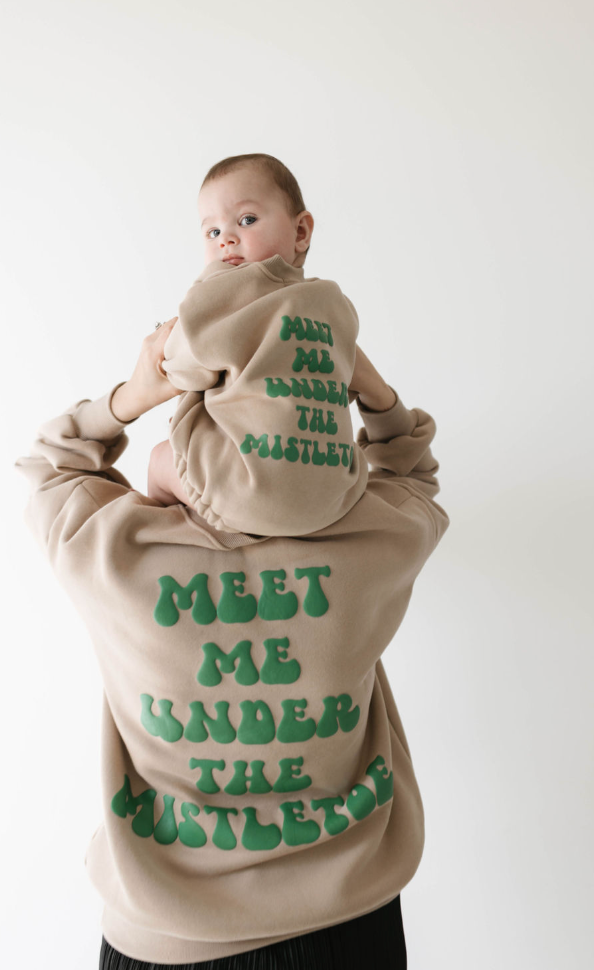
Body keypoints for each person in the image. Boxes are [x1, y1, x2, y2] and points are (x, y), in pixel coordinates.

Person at [14, 284, 449, 967]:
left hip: (163, 934)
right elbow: (413, 471)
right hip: (348, 922)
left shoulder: (115, 549)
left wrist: (133, 394)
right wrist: (370, 386)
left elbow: (50, 463)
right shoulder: (375, 540)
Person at [148, 154, 368, 537]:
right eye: (211, 232)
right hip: (334, 500)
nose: (226, 240)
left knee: (158, 461)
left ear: (300, 232)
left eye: (246, 220)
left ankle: (170, 540)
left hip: (249, 495)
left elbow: (181, 368)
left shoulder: (225, 297)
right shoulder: (335, 305)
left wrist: (202, 294)